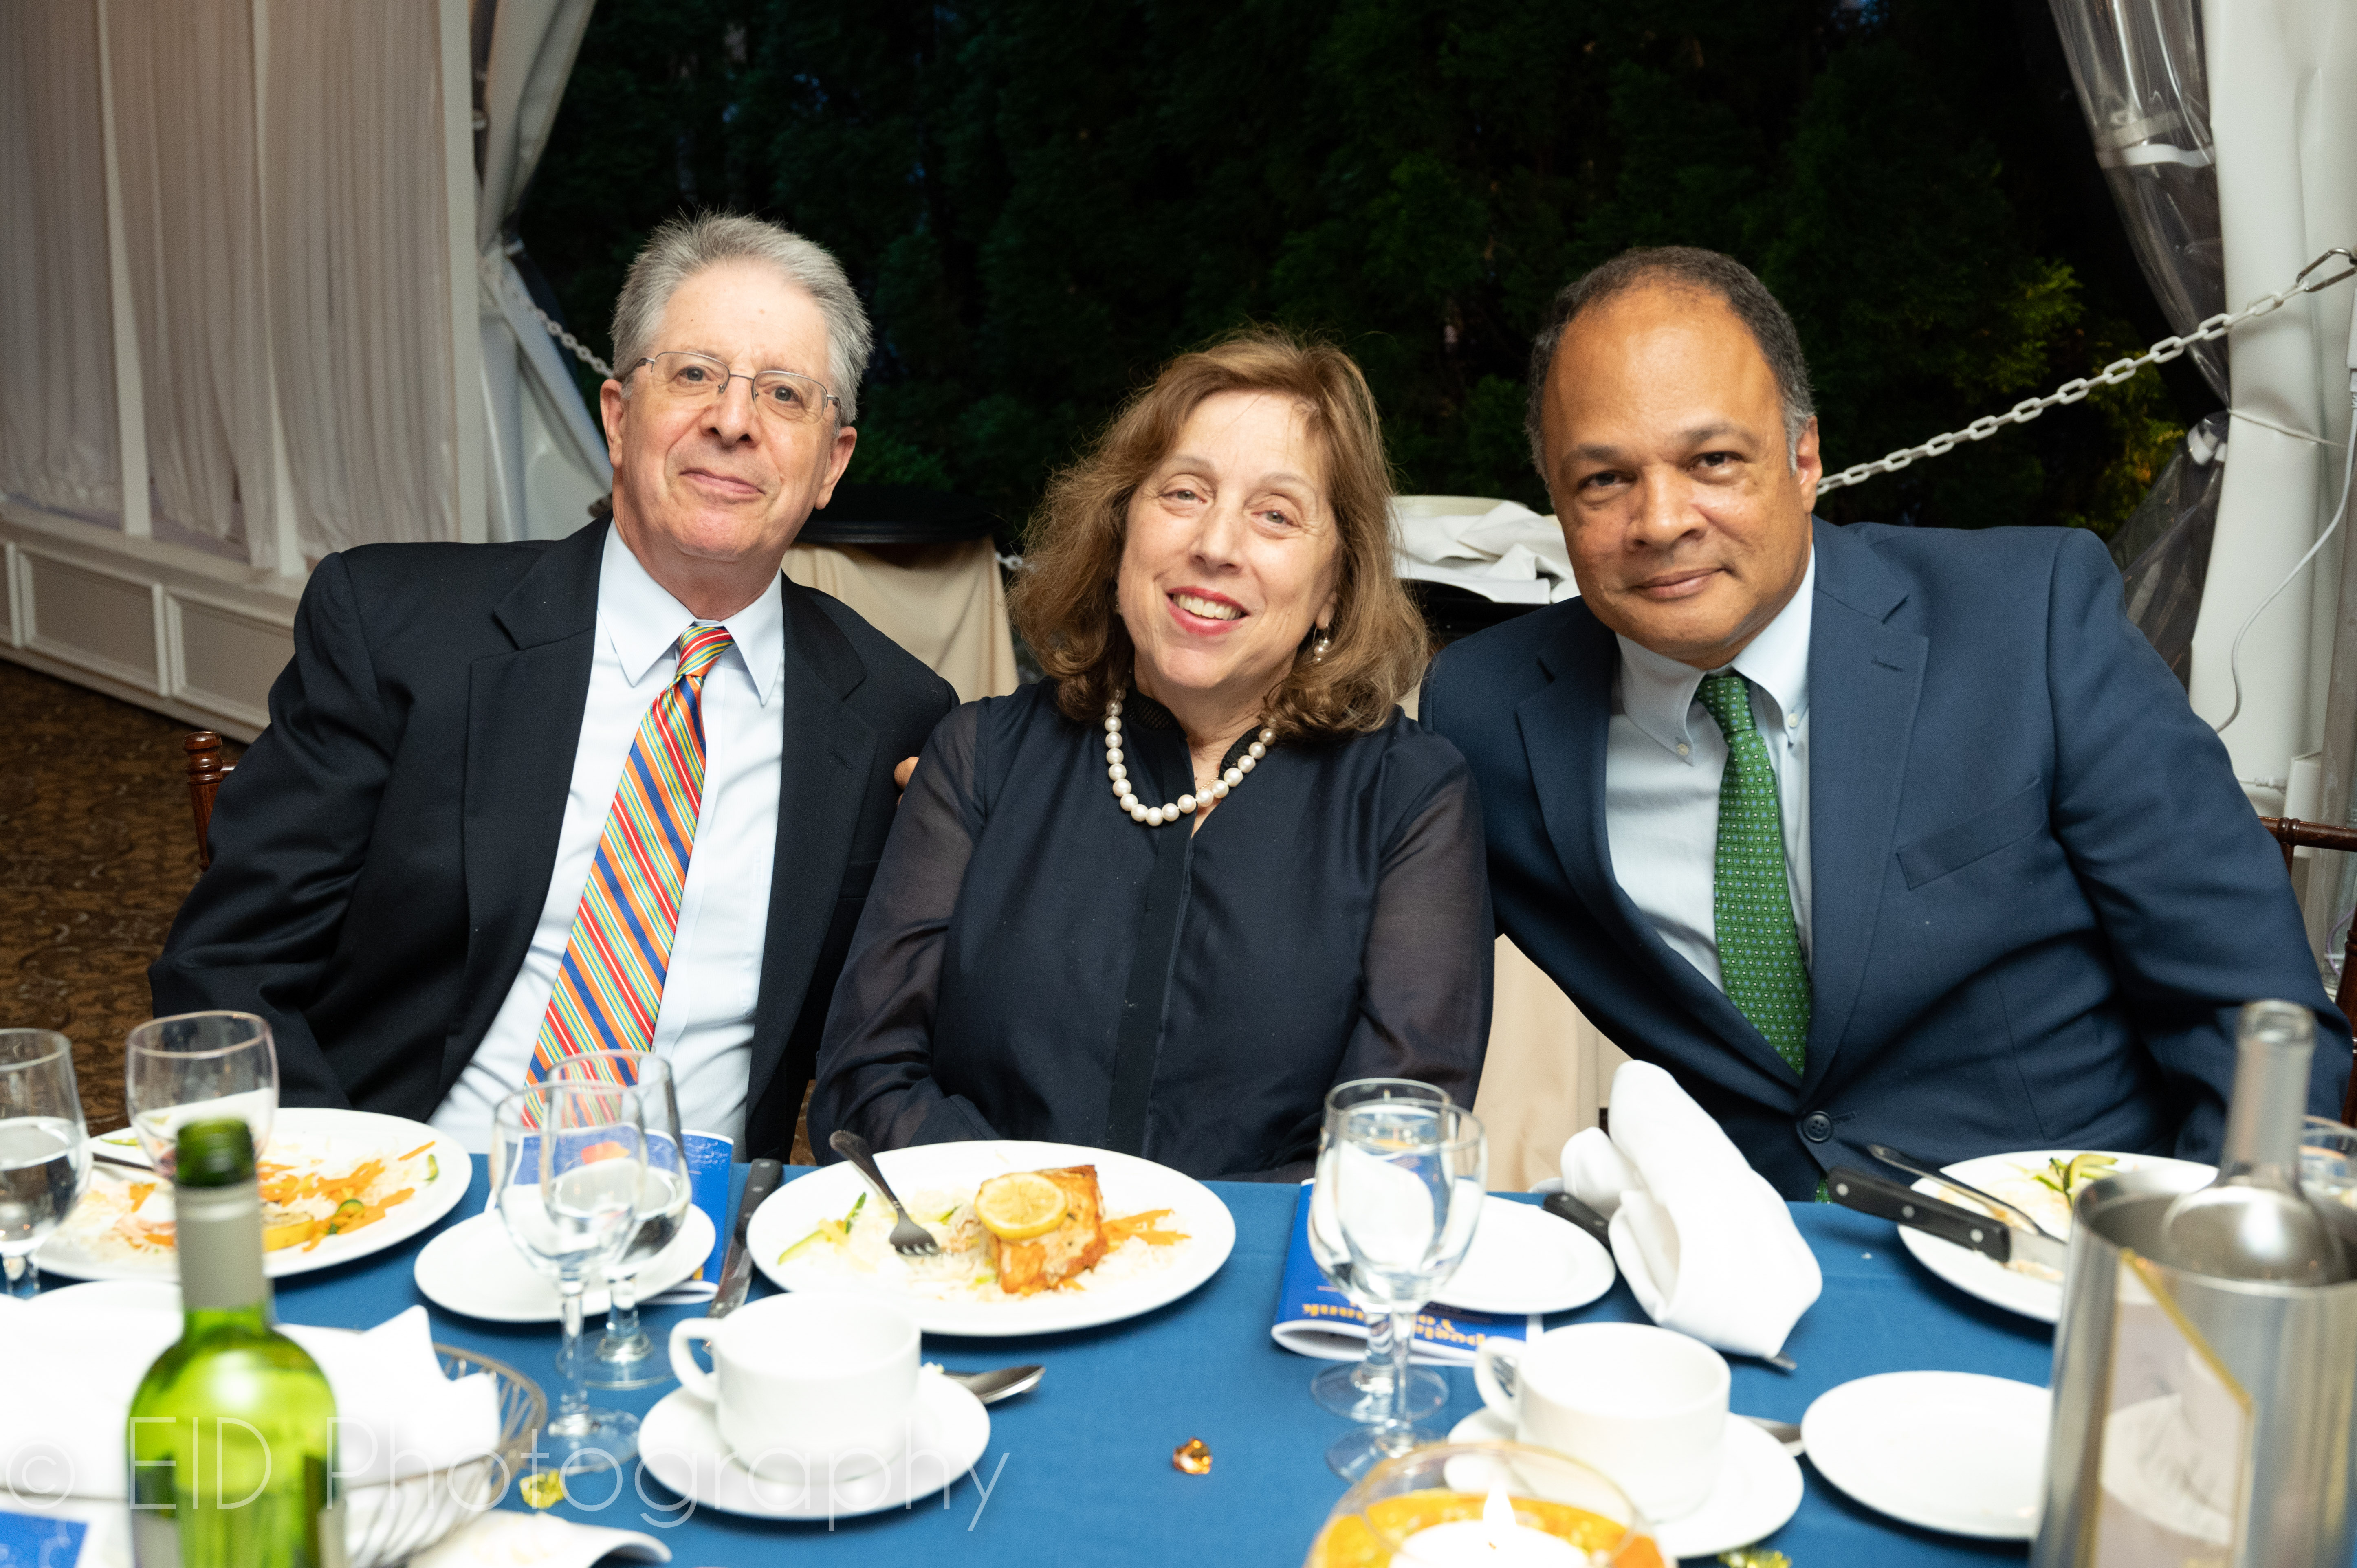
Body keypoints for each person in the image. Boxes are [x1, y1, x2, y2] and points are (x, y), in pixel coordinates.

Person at [1422, 246, 2350, 1198]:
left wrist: (2198, 1263)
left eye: (1712, 461)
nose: (1660, 521)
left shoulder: (2026, 623)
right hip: (1750, 1259)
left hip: (2064, 1247)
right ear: (1556, 500)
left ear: (1804, 459)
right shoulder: (1487, 712)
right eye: (1603, 480)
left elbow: (2254, 1014)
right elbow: (1380, 993)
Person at [150, 213, 954, 1159]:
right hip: (403, 1190)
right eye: (694, 374)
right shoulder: (396, 630)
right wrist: (362, 1195)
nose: (733, 421)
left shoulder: (894, 715)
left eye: (783, 394)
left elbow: (911, 1036)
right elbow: (228, 970)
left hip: (694, 1221)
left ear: (832, 463)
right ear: (617, 415)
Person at [808, 331, 1490, 1180]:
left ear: (1334, 588)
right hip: (982, 1253)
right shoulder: (979, 759)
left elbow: (1393, 1144)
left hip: (1265, 1266)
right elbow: (865, 1084)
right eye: (1184, 493)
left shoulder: (1409, 797)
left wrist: (1166, 1238)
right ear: (1118, 531)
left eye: (1276, 515)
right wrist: (1048, 1223)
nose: (1216, 544)